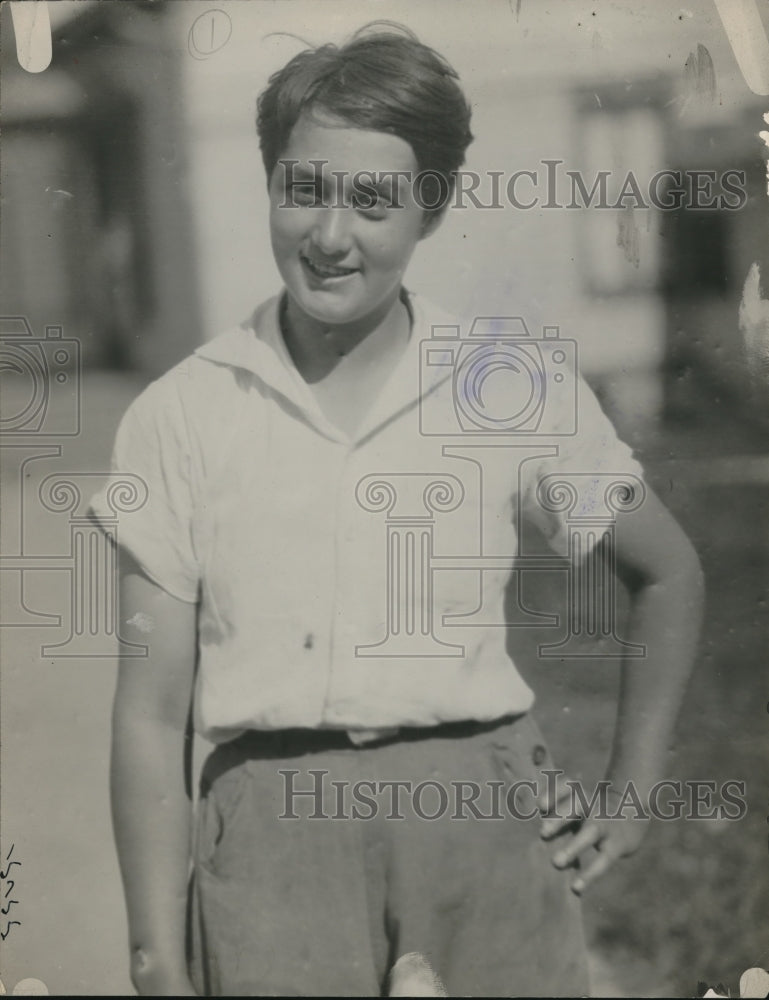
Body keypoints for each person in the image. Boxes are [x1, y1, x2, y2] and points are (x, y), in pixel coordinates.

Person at [89, 23, 704, 997]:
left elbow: (667, 571)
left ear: (433, 207)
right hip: (271, 847)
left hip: (484, 827)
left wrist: (627, 797)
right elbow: (149, 710)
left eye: (373, 201)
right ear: (270, 183)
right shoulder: (180, 415)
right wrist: (154, 957)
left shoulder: (505, 384)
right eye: (304, 189)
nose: (330, 237)